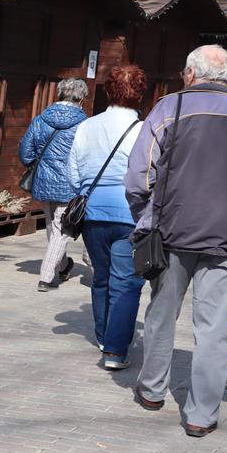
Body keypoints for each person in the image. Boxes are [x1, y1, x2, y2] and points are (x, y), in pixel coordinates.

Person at [125, 45, 227, 437]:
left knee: (161, 315)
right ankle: (201, 414)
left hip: (171, 234)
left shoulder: (167, 108)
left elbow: (139, 175)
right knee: (213, 329)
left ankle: (152, 390)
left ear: (190, 74)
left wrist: (147, 216)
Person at [67, 66, 147, 371]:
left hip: (92, 213)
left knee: (101, 277)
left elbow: (73, 172)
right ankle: (115, 350)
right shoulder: (144, 130)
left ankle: (103, 337)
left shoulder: (86, 126)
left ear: (108, 91)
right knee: (125, 282)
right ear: (140, 93)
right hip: (130, 213)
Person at [18, 78, 88, 291]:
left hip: (43, 181)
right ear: (81, 98)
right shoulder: (84, 124)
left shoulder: (40, 119)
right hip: (69, 183)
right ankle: (46, 277)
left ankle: (64, 265)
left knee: (53, 225)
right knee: (61, 229)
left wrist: (39, 166)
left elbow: (25, 152)